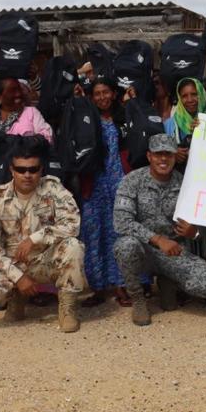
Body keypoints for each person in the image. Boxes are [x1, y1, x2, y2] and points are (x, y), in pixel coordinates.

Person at [0, 142, 85, 331]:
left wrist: (35, 238)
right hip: (13, 263)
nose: (27, 175)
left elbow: (72, 224)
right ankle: (16, 297)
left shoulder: (54, 190)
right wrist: (17, 277)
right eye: (21, 169)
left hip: (45, 260)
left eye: (33, 169)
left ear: (41, 169)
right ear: (11, 170)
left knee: (74, 246)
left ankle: (67, 307)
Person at [113, 134, 206, 325]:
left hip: (173, 252)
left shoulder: (185, 184)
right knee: (125, 245)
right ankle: (138, 299)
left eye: (168, 155)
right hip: (143, 250)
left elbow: (201, 228)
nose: (163, 159)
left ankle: (167, 280)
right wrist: (157, 239)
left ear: (174, 157)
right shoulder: (132, 181)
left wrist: (193, 232)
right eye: (158, 154)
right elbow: (121, 222)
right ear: (149, 156)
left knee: (205, 285)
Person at [164, 77, 206, 296]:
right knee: (187, 233)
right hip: (184, 188)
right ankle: (189, 283)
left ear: (201, 95)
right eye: (184, 95)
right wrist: (176, 154)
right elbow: (161, 158)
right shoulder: (171, 124)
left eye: (194, 94)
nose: (190, 99)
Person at [78, 77, 133, 307]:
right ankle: (98, 287)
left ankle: (122, 285)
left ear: (113, 93)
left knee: (119, 233)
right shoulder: (86, 120)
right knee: (94, 234)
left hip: (119, 182)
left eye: (106, 92)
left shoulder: (124, 117)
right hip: (94, 183)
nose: (102, 97)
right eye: (97, 94)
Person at [0, 76, 54, 162]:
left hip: (26, 170)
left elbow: (47, 137)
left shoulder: (31, 112)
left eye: (19, 89)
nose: (18, 94)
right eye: (12, 91)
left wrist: (15, 144)